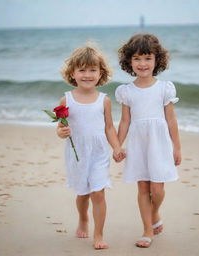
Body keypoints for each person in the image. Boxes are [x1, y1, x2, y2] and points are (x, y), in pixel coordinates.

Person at [115, 34, 182, 248]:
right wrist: (117, 145)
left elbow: (171, 120)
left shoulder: (164, 88)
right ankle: (147, 230)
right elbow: (125, 122)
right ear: (129, 62)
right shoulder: (125, 91)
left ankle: (155, 213)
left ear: (157, 60)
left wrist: (177, 147)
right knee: (143, 188)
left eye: (147, 58)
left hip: (159, 143)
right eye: (136, 58)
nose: (142, 63)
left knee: (158, 189)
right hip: (137, 143)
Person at [57, 46, 125, 249]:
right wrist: (61, 132)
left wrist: (117, 147)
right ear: (73, 73)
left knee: (98, 192)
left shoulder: (103, 100)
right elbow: (61, 127)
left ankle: (98, 234)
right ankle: (83, 218)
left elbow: (109, 128)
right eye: (82, 70)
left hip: (99, 153)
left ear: (101, 73)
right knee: (83, 193)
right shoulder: (66, 100)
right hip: (77, 154)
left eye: (92, 70)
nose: (87, 75)